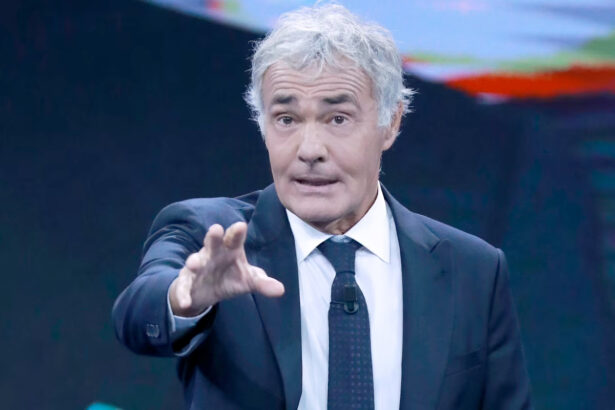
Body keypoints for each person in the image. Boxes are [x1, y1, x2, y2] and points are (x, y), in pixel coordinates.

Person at [112, 4, 532, 409]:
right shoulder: (210, 238)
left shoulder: (473, 270)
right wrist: (184, 298)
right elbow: (138, 311)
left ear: (391, 123)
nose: (309, 150)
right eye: (287, 119)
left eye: (337, 119)